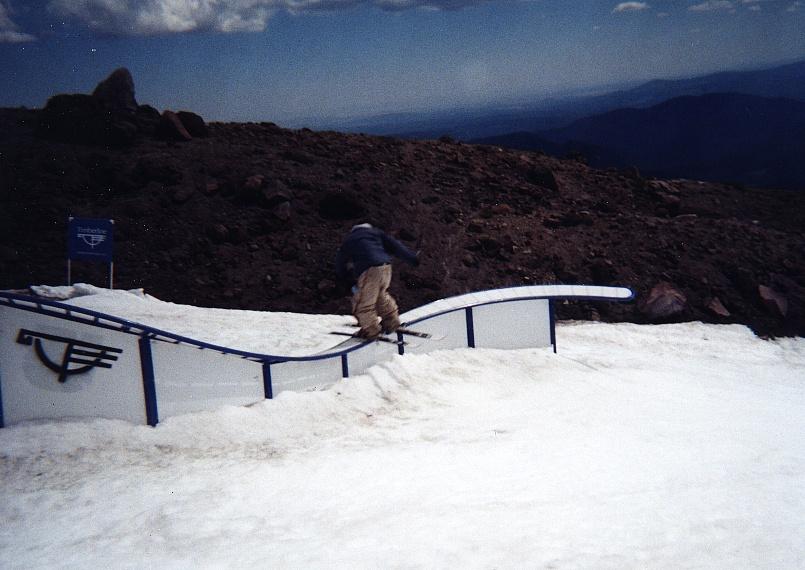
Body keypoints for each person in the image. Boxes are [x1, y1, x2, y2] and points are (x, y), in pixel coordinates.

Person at [335, 223, 419, 339]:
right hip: (386, 267)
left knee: (363, 303)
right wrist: (412, 259)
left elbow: (340, 262)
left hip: (370, 269)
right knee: (381, 297)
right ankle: (391, 323)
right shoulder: (377, 233)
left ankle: (371, 330)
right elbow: (396, 247)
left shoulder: (350, 239)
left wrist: (346, 279)